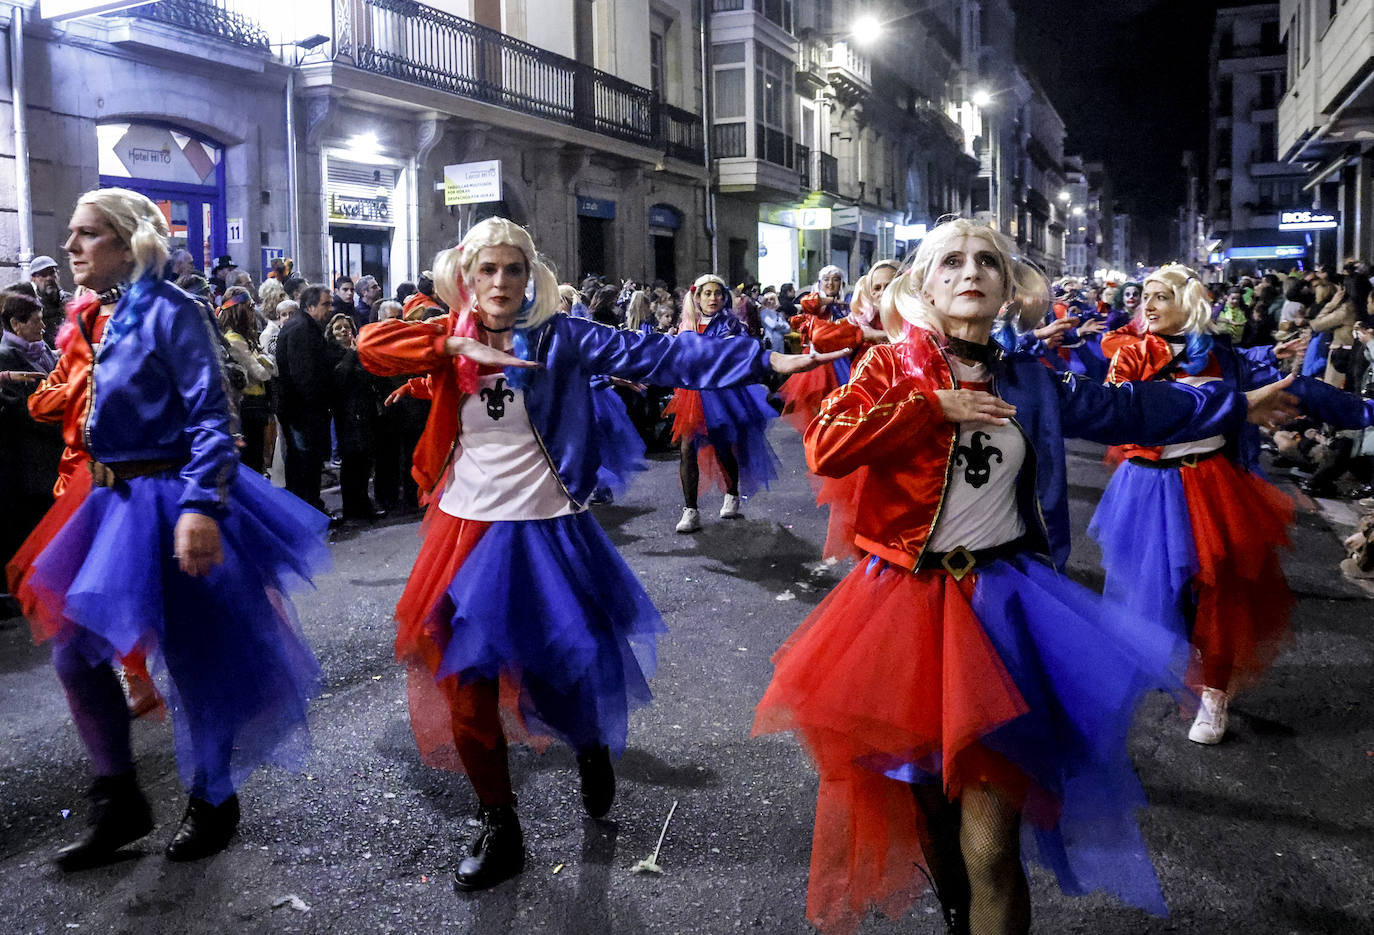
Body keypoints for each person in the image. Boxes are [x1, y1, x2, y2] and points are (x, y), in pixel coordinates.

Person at [752, 219, 1302, 935]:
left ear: (1008, 287)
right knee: (934, 822)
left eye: (987, 261)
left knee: (991, 846)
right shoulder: (889, 367)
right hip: (904, 612)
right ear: (925, 286)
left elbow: (1128, 407)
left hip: (1002, 613)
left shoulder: (1029, 379)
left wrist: (1234, 403)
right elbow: (826, 445)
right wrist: (928, 407)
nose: (970, 272)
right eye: (951, 262)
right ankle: (957, 915)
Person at [356, 217, 840, 892]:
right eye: (486, 270)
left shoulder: (561, 336)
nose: (500, 282)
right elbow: (371, 345)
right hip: (465, 533)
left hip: (546, 529)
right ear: (466, 277)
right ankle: (499, 822)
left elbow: (662, 356)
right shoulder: (447, 337)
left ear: (531, 276)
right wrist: (450, 340)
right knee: (466, 684)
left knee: (565, 670)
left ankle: (589, 744)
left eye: (514, 269)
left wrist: (760, 360)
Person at [5, 188, 328, 869]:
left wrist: (200, 506)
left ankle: (212, 797)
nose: (70, 247)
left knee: (195, 659)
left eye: (87, 234)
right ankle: (118, 799)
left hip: (174, 495)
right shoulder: (92, 313)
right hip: (108, 500)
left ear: (129, 242)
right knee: (74, 653)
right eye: (72, 233)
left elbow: (214, 415)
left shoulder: (173, 309)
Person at [1090, 264, 1374, 746]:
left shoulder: (1219, 354)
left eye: (1161, 296)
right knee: (1159, 590)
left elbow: (1282, 383)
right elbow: (1122, 415)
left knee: (1220, 592)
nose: (1149, 305)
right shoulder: (1132, 353)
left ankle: (1215, 691)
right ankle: (1183, 665)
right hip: (1147, 486)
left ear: (1188, 302)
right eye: (1146, 296)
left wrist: (1362, 410)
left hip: (1210, 483)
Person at [663, 275, 782, 532]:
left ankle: (732, 492)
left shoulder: (731, 325)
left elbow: (736, 354)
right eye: (707, 293)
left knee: (723, 447)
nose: (713, 298)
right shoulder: (687, 325)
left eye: (717, 293)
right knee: (687, 448)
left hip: (722, 393)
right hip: (692, 395)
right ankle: (690, 510)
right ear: (697, 296)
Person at [0, 290, 62, 564]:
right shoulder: (6, 356)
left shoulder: (42, 349)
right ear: (16, 324)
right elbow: (23, 411)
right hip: (34, 467)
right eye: (36, 320)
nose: (44, 326)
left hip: (55, 460)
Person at [778, 266, 867, 432]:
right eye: (826, 280)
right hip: (818, 359)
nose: (830, 284)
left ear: (842, 283)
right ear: (820, 283)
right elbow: (808, 303)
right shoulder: (818, 302)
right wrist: (831, 301)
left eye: (835, 279)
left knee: (843, 399)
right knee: (815, 399)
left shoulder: (848, 303)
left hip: (842, 357)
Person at [275, 285, 335, 513]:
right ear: (310, 306)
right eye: (325, 304)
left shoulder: (305, 326)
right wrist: (317, 406)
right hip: (302, 411)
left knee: (306, 462)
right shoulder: (302, 329)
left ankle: (309, 508)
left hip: (304, 410)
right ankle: (309, 510)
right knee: (305, 463)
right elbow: (303, 375)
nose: (330, 309)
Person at [326, 313, 385, 520]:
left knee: (365, 459)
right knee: (352, 460)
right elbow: (339, 378)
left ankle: (363, 503)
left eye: (347, 327)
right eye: (338, 328)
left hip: (365, 410)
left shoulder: (360, 351)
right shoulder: (331, 353)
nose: (344, 331)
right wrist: (352, 354)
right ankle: (352, 506)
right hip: (347, 413)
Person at [217, 288, 276, 474]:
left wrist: (265, 361)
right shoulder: (234, 340)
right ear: (239, 310)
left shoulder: (244, 337)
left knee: (257, 459)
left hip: (255, 406)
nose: (253, 312)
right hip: (248, 407)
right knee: (252, 462)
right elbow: (263, 374)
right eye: (250, 307)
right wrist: (267, 360)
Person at [30, 255, 70, 346]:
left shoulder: (71, 302)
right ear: (33, 279)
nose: (49, 278)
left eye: (52, 273)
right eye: (43, 275)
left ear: (58, 274)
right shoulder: (31, 307)